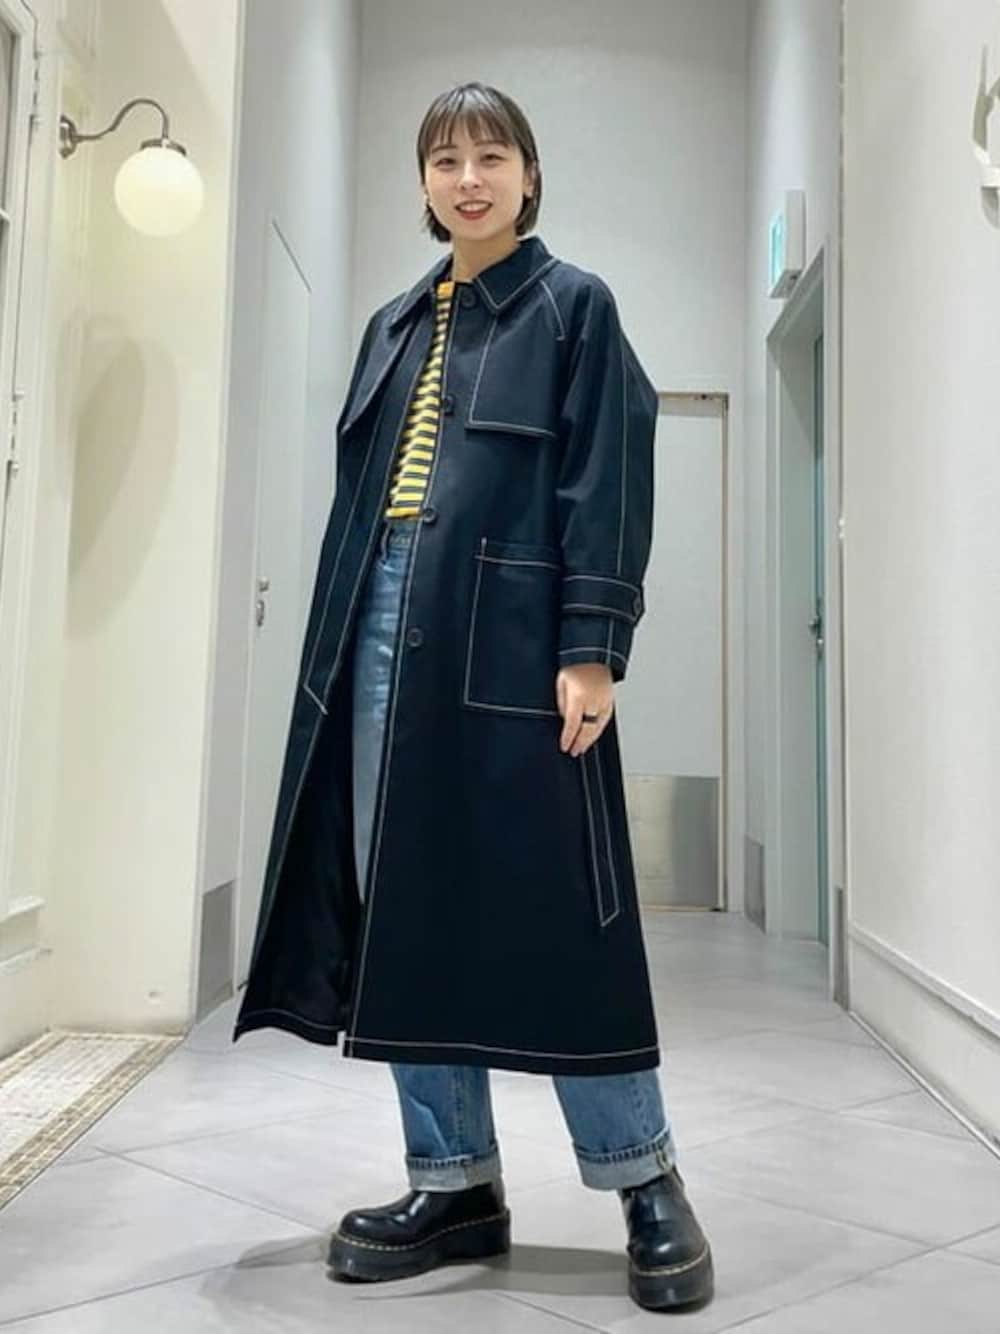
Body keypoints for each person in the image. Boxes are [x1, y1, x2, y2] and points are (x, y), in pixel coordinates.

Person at [234, 81, 713, 1313]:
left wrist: (591, 643)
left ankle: (643, 1176)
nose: (467, 178)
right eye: (444, 159)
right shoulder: (392, 325)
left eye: (490, 156)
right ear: (423, 183)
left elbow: (607, 477)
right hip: (376, 630)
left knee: (568, 915)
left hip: (512, 642)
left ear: (528, 175)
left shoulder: (573, 307)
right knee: (405, 900)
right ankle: (451, 1179)